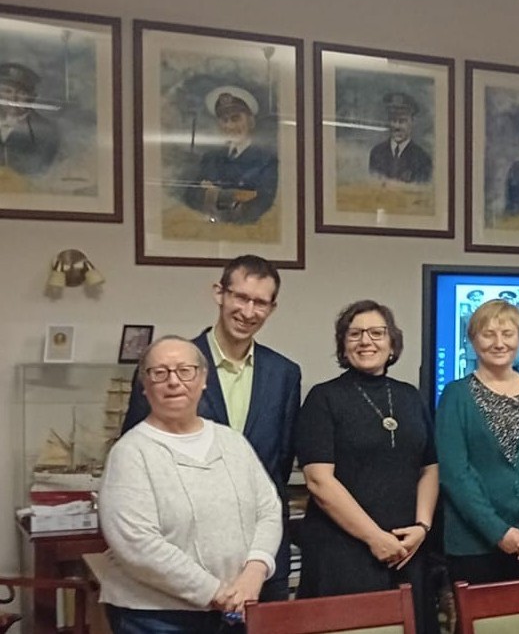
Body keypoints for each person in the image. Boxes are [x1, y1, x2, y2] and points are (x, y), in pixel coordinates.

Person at [123, 255, 301, 601]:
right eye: (241, 297)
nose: (248, 312)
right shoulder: (169, 368)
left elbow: (278, 465)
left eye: (260, 302)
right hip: (188, 557)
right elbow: (136, 453)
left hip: (263, 559)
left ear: (272, 308)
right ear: (219, 293)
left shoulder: (285, 374)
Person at [98, 336, 282, 634]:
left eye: (185, 371)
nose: (174, 382)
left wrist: (255, 572)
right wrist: (215, 592)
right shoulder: (131, 452)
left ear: (203, 379)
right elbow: (136, 543)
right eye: (160, 373)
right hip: (157, 619)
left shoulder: (232, 442)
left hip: (236, 607)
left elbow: (269, 510)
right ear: (145, 386)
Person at [296, 300, 439, 634]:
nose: (366, 341)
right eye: (355, 334)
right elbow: (318, 481)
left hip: (407, 549)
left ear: (392, 343)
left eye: (377, 333)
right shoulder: (323, 398)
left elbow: (429, 467)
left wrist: (422, 527)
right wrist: (375, 538)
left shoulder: (411, 396)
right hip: (343, 552)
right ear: (343, 344)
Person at [436, 299, 519, 585]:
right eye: (488, 334)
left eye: (508, 334)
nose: (499, 343)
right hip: (474, 547)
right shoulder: (455, 396)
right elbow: (455, 474)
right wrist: (498, 532)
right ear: (472, 340)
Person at [184, 85, 278, 224]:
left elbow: (262, 204)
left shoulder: (266, 160)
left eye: (235, 118)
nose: (230, 126)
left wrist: (213, 194)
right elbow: (190, 196)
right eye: (224, 120)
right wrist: (235, 196)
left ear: (251, 121)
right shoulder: (211, 158)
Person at [0, 61, 59, 175]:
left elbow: (42, 171)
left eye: (21, 93)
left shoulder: (46, 130)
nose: (13, 98)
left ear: (32, 96)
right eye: (7, 91)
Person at [368, 91, 433, 183]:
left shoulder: (422, 159)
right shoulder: (377, 153)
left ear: (412, 122)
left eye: (402, 121)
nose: (397, 126)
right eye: (393, 120)